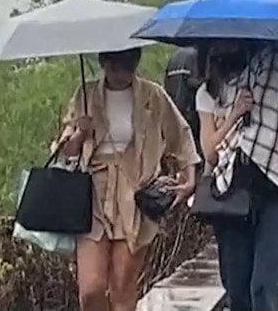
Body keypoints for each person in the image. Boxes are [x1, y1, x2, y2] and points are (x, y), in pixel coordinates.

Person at [53, 47, 201, 311]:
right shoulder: (86, 94)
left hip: (136, 193)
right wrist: (79, 134)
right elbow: (66, 150)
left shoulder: (152, 95)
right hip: (93, 194)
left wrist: (189, 178)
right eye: (115, 66)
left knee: (123, 284)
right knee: (91, 289)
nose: (121, 73)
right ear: (104, 63)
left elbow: (179, 133)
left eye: (127, 66)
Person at [198, 41, 278, 311]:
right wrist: (235, 114)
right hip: (232, 189)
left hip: (276, 188)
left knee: (267, 280)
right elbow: (210, 152)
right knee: (236, 284)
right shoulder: (209, 93)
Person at [163, 46, 202, 163]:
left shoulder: (175, 56)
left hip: (174, 114)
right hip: (193, 117)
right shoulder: (197, 57)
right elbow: (196, 85)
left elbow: (167, 86)